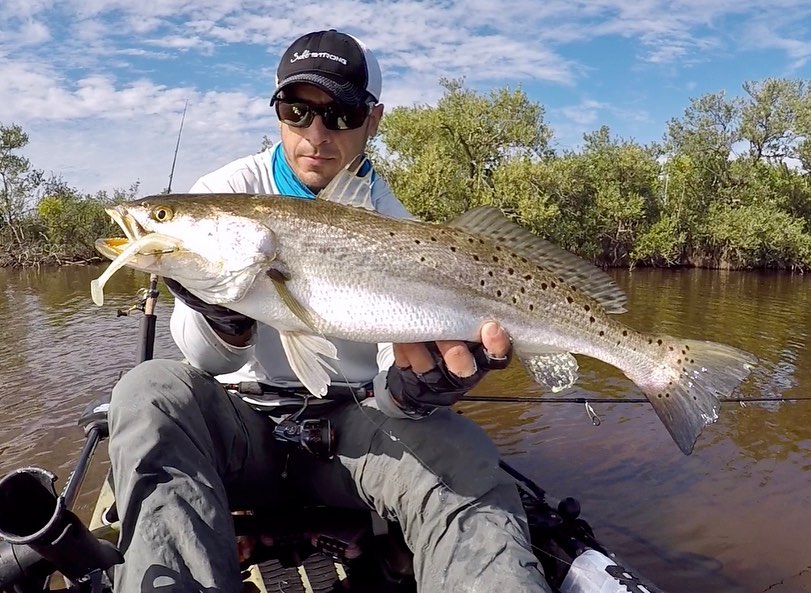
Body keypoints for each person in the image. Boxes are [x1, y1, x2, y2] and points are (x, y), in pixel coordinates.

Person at [108, 29, 551, 593]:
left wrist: (418, 391)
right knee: (147, 390)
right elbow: (203, 361)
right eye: (297, 111)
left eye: (340, 113)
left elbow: (394, 384)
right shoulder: (225, 190)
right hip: (244, 434)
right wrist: (225, 317)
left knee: (462, 449)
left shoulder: (402, 228)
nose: (316, 134)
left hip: (354, 437)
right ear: (277, 113)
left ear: (374, 119)